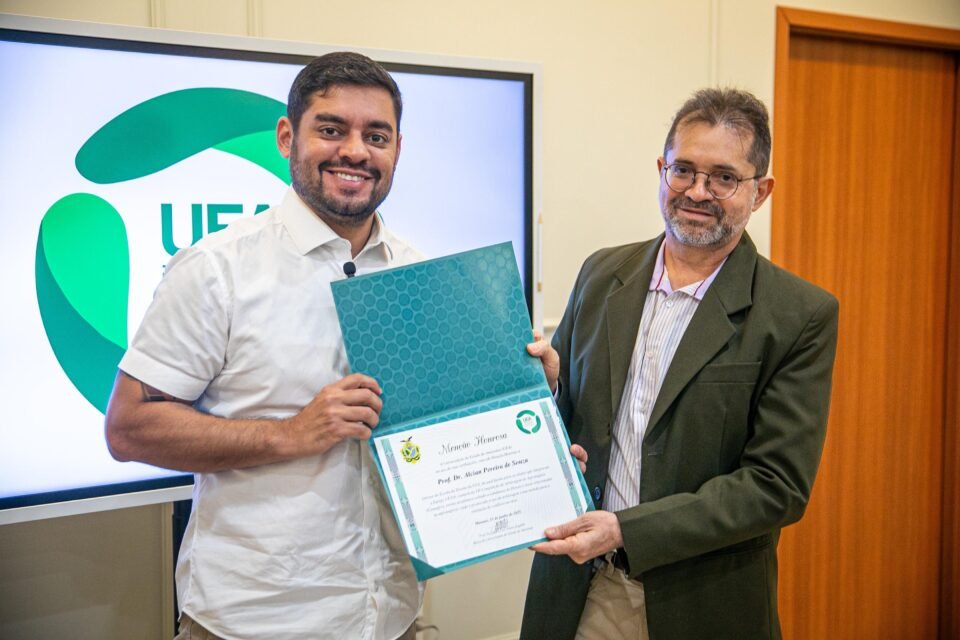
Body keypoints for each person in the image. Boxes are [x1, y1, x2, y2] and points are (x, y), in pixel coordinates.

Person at [105, 52, 421, 640]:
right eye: (332, 129)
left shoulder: (419, 273)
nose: (355, 151)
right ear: (286, 137)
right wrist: (290, 433)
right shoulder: (217, 269)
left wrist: (524, 386)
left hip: (390, 615)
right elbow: (128, 428)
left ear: (397, 149)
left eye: (376, 136)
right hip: (252, 621)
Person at [520, 88, 839, 640]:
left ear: (760, 192)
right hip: (578, 591)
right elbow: (572, 417)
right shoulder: (602, 274)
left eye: (723, 177)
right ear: (661, 169)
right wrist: (547, 389)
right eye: (683, 169)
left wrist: (626, 530)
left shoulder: (798, 313)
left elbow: (776, 486)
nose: (696, 191)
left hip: (701, 604)